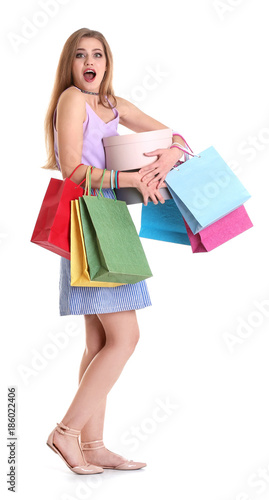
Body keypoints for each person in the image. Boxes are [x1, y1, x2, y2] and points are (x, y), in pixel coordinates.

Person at [44, 27, 185, 474]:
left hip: (110, 218)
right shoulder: (72, 100)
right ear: (71, 64)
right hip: (88, 220)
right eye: (81, 55)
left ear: (107, 63)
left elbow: (174, 135)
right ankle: (65, 433)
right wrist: (130, 179)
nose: (90, 61)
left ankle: (93, 445)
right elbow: (72, 169)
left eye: (98, 55)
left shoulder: (112, 105)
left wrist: (168, 156)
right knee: (127, 337)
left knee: (100, 340)